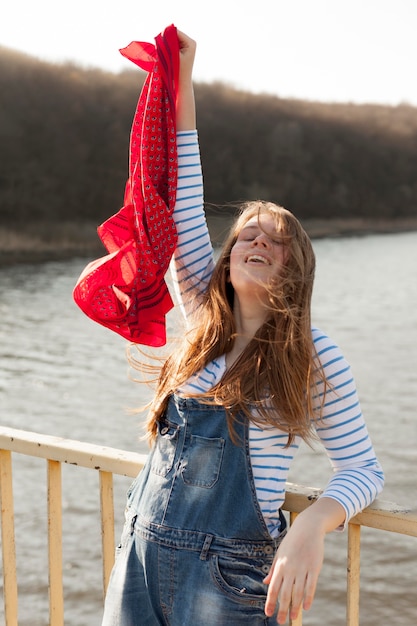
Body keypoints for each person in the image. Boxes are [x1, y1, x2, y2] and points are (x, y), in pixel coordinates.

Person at [100, 30, 384, 625]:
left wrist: (310, 524)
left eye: (277, 240)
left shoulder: (312, 354)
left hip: (228, 583)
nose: (258, 239)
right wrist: (182, 76)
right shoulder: (203, 317)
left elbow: (363, 469)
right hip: (141, 562)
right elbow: (181, 195)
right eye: (248, 233)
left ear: (295, 268)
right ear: (227, 257)